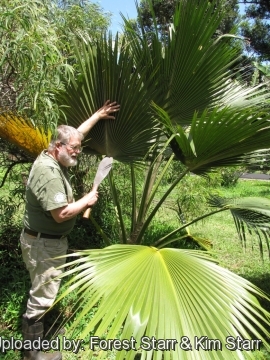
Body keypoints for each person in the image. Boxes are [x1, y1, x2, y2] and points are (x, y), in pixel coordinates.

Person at [20, 100, 120, 360]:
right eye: (74, 149)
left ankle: (39, 342)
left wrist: (97, 115)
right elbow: (61, 214)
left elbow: (76, 134)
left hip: (46, 241)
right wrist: (86, 201)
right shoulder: (49, 173)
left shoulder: (55, 151)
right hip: (43, 244)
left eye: (78, 147)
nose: (78, 152)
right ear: (58, 147)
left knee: (45, 289)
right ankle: (33, 353)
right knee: (42, 295)